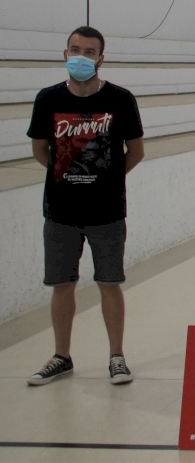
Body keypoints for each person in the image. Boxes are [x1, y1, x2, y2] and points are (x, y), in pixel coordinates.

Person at [26, 26, 144, 386]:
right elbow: (40, 150)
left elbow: (136, 151)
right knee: (62, 285)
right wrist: (67, 175)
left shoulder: (121, 99)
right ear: (65, 54)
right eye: (75, 50)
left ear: (100, 59)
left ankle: (117, 357)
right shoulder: (47, 99)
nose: (81, 56)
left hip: (107, 213)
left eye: (89, 52)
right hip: (60, 213)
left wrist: (107, 179)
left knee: (110, 283)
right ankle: (61, 357)